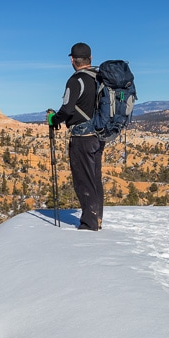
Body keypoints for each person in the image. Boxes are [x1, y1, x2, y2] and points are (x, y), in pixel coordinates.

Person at [46, 42, 105, 231]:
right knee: (94, 177)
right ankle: (97, 218)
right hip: (98, 135)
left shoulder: (76, 80)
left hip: (82, 137)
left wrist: (54, 119)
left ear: (72, 60)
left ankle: (89, 223)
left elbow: (67, 109)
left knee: (82, 179)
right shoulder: (99, 77)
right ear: (91, 59)